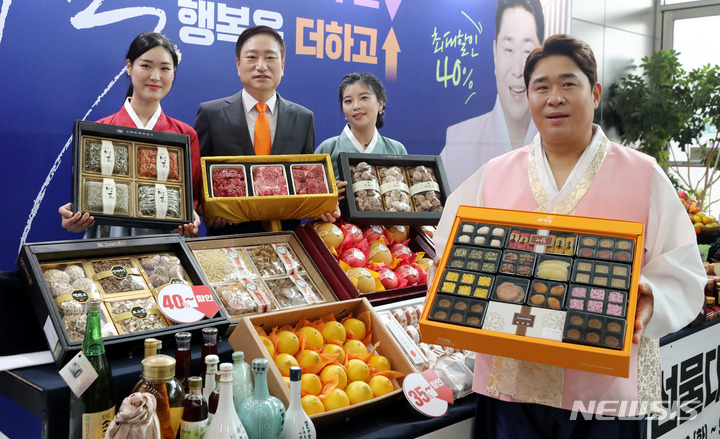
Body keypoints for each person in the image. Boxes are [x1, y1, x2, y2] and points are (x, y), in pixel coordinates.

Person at [432, 34, 706, 438]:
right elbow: (449, 251)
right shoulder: (494, 175)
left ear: (594, 93)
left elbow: (682, 268)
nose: (554, 98)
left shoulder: (642, 174)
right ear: (528, 97)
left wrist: (653, 295)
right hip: (512, 384)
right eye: (541, 87)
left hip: (605, 389)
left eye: (567, 84)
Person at [59, 32, 201, 238]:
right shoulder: (98, 131)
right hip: (108, 241)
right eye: (146, 65)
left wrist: (190, 216)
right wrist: (76, 213)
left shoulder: (185, 134)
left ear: (173, 73)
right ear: (129, 66)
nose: (155, 76)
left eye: (165, 68)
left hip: (166, 243)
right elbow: (89, 187)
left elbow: (192, 197)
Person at [194, 25, 316, 235]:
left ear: (282, 65)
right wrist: (208, 209)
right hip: (228, 237)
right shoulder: (211, 114)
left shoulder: (303, 118)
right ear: (238, 64)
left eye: (270, 58)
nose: (261, 66)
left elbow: (305, 180)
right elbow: (197, 178)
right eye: (252, 57)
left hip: (286, 239)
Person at [440, 0, 544, 191]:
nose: (518, 70)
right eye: (508, 49)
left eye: (527, 51)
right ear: (495, 53)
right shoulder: (457, 143)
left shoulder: (559, 142)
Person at [315, 72, 406, 222]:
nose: (356, 106)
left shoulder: (396, 149)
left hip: (388, 233)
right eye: (348, 101)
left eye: (364, 98)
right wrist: (324, 202)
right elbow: (310, 200)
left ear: (380, 104)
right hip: (337, 232)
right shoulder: (328, 148)